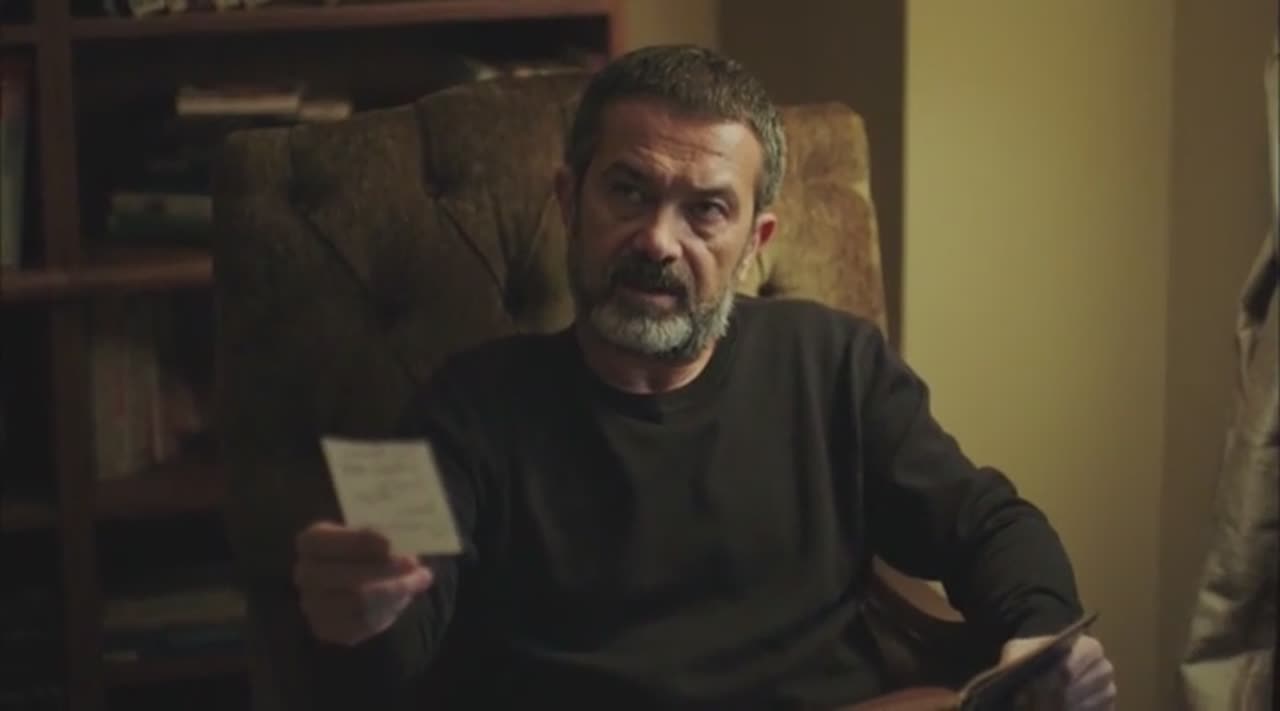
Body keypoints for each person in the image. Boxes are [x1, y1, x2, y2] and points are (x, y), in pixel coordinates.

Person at [291, 45, 1117, 710]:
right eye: (629, 191)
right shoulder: (466, 406)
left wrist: (1042, 633)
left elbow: (988, 523)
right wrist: (357, 618)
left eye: (706, 210)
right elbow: (393, 637)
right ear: (570, 201)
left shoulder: (835, 365)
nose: (659, 240)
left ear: (756, 242)